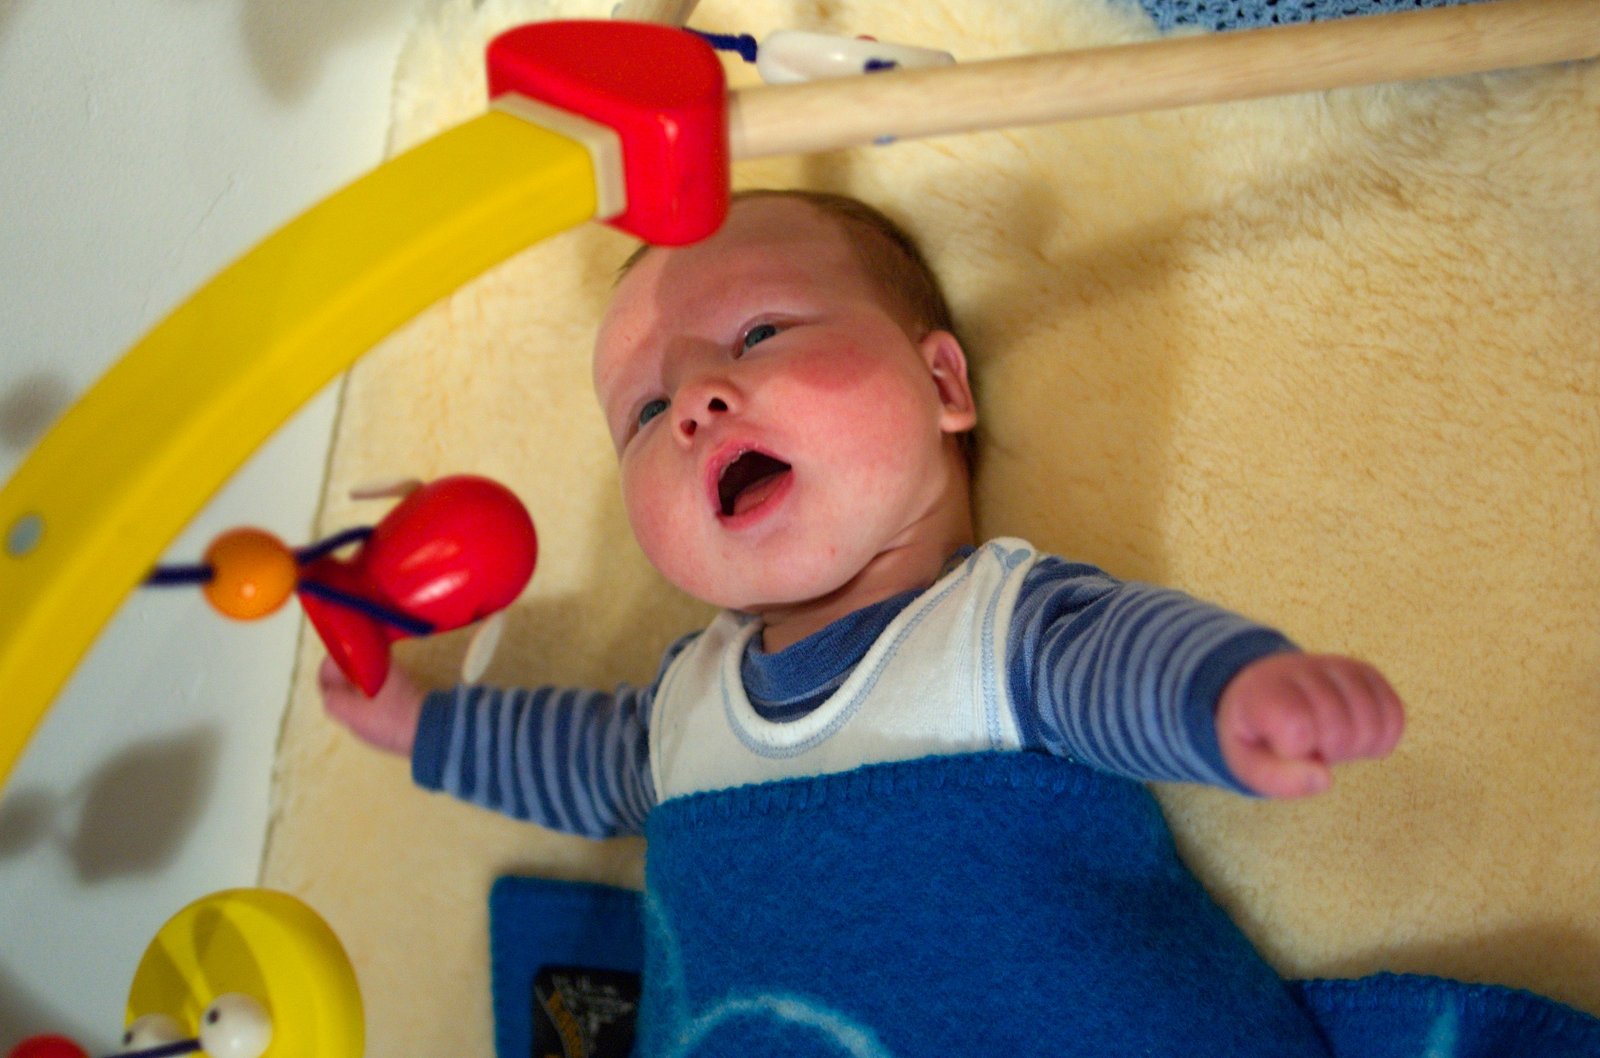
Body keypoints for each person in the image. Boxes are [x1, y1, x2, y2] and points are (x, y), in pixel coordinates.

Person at [321, 189, 1408, 1054]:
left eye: (758, 331)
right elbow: (580, 760)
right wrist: (422, 727)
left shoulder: (992, 634)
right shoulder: (686, 708)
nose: (695, 397)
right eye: (645, 410)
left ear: (941, 382)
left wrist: (1230, 692)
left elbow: (1122, 668)